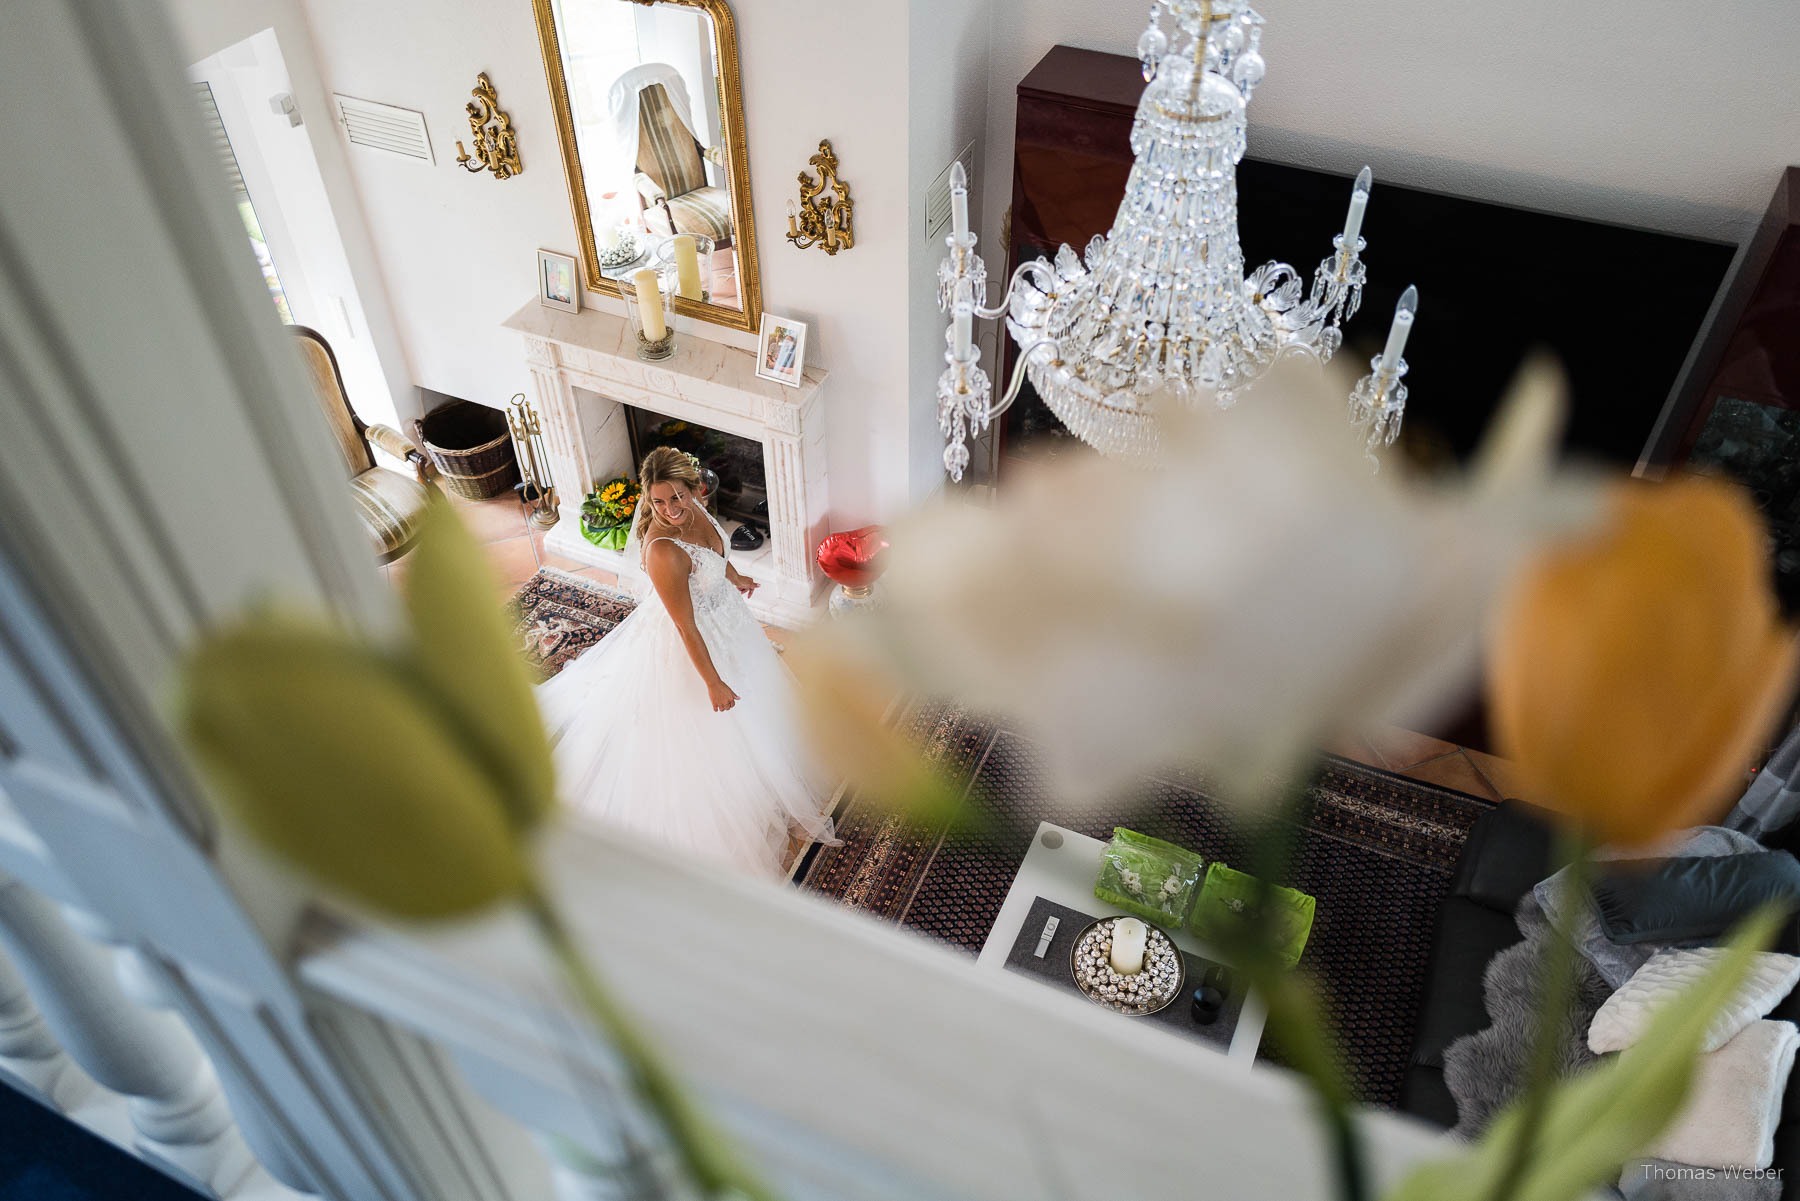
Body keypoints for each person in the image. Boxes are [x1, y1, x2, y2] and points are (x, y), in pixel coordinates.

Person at [534, 446, 837, 876]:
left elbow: (714, 553)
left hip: (729, 622)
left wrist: (734, 577)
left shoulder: (699, 511)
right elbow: (685, 628)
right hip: (697, 642)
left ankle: (762, 775)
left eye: (676, 497)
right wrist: (713, 682)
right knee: (713, 734)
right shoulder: (662, 551)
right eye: (658, 501)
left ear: (696, 490)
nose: (669, 509)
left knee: (761, 709)